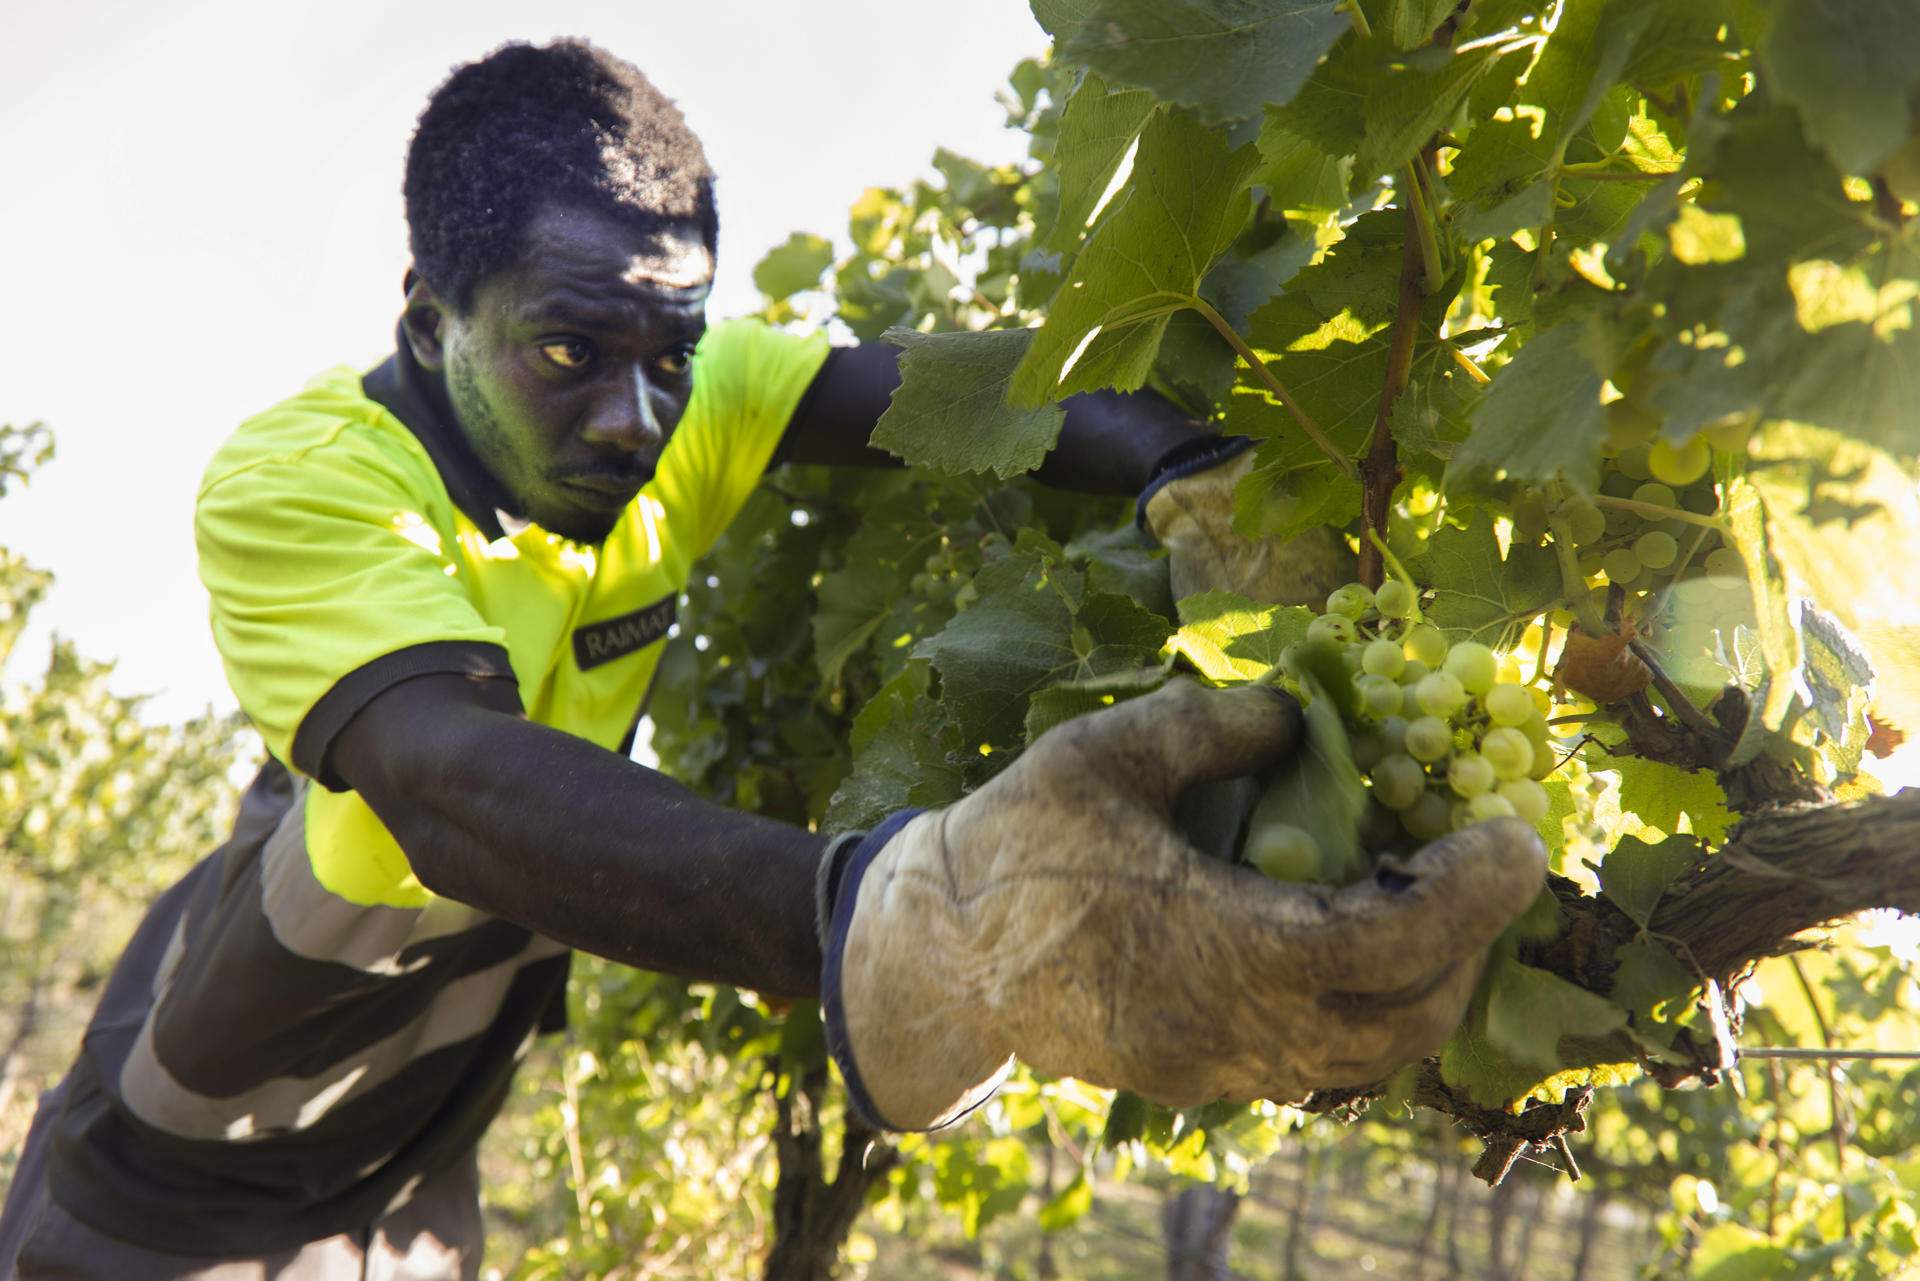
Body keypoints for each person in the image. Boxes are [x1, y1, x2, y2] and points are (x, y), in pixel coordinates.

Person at [0, 38, 1545, 1279]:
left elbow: (984, 396)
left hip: (462, 1045)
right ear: (427, 320)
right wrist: (893, 909)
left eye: (670, 355)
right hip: (252, 1051)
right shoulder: (302, 482)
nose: (634, 413)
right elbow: (448, 782)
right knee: (119, 1223)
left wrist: (1194, 467)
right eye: (566, 352)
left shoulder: (692, 387)